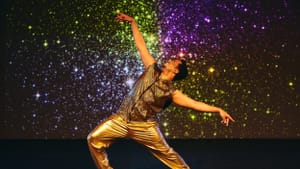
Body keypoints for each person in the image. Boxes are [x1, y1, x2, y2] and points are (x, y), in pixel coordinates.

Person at [87, 12, 235, 169]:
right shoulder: (151, 68)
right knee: (93, 139)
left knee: (168, 154)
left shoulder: (172, 93)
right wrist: (133, 22)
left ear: (176, 71)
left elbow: (194, 104)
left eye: (174, 61)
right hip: (121, 119)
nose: (170, 60)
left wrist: (218, 109)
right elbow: (141, 45)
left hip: (144, 126)